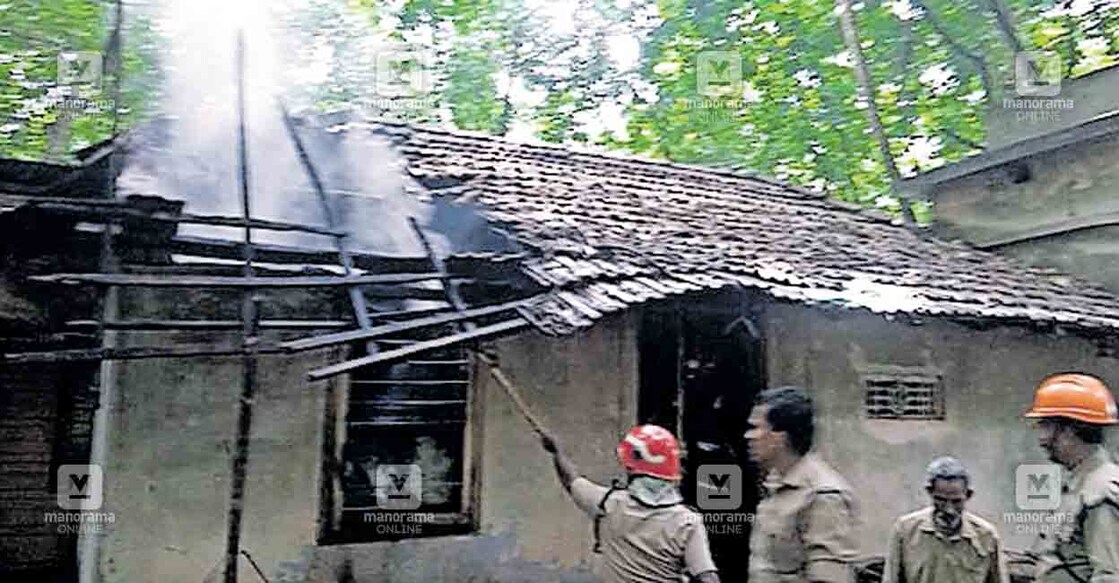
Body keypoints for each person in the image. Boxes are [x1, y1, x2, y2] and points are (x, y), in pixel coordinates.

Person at [540, 424, 720, 583]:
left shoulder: (607, 504)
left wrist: (557, 451)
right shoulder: (686, 522)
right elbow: (707, 577)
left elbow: (570, 480)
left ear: (631, 467)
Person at [744, 386, 860, 582]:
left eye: (756, 427)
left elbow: (828, 578)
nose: (749, 436)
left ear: (780, 436)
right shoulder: (776, 486)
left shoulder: (822, 495)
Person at [1024, 373, 1119, 583]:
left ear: (1070, 430)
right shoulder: (1080, 484)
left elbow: (1109, 577)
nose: (1041, 439)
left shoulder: (1100, 492)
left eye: (1045, 426)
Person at [883, 456, 1008, 583]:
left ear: (968, 495)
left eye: (956, 501)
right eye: (941, 500)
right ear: (930, 493)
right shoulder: (905, 531)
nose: (949, 510)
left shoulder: (986, 536)